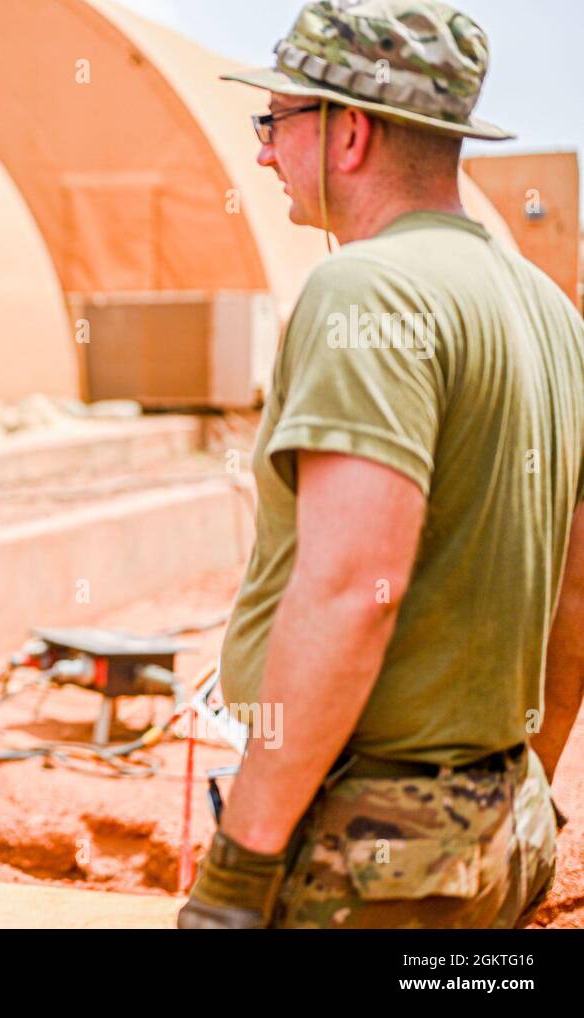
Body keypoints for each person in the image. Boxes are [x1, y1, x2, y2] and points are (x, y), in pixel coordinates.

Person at [178, 0, 584, 929]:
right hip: (497, 827)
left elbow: (353, 589)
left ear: (348, 131)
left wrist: (240, 869)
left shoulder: (363, 289)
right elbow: (574, 589)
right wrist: (525, 794)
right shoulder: (547, 309)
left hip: (375, 854)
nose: (263, 154)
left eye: (275, 123)